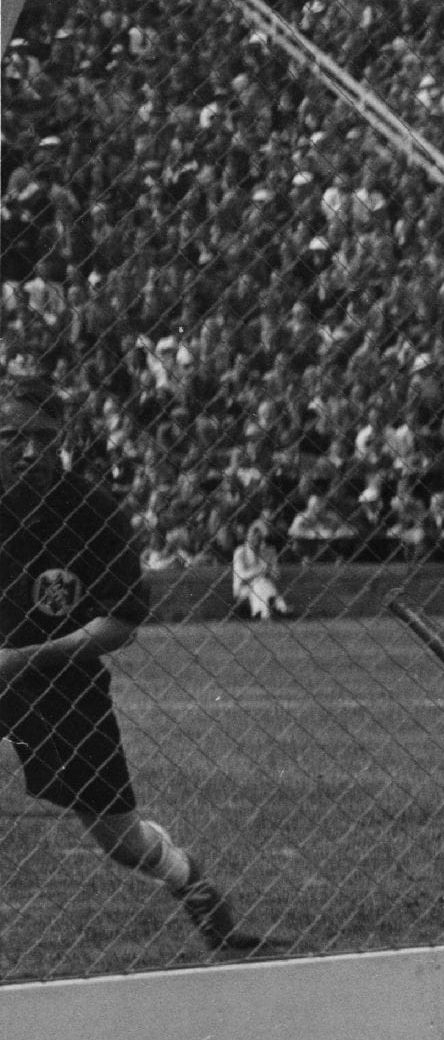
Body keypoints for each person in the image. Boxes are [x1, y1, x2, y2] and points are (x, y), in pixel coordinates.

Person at [2, 383, 263, 953]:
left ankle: (188, 879)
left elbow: (119, 623)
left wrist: (19, 660)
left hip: (61, 685)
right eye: (12, 438)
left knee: (120, 839)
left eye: (42, 439)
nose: (28, 453)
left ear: (62, 440)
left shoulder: (92, 510)